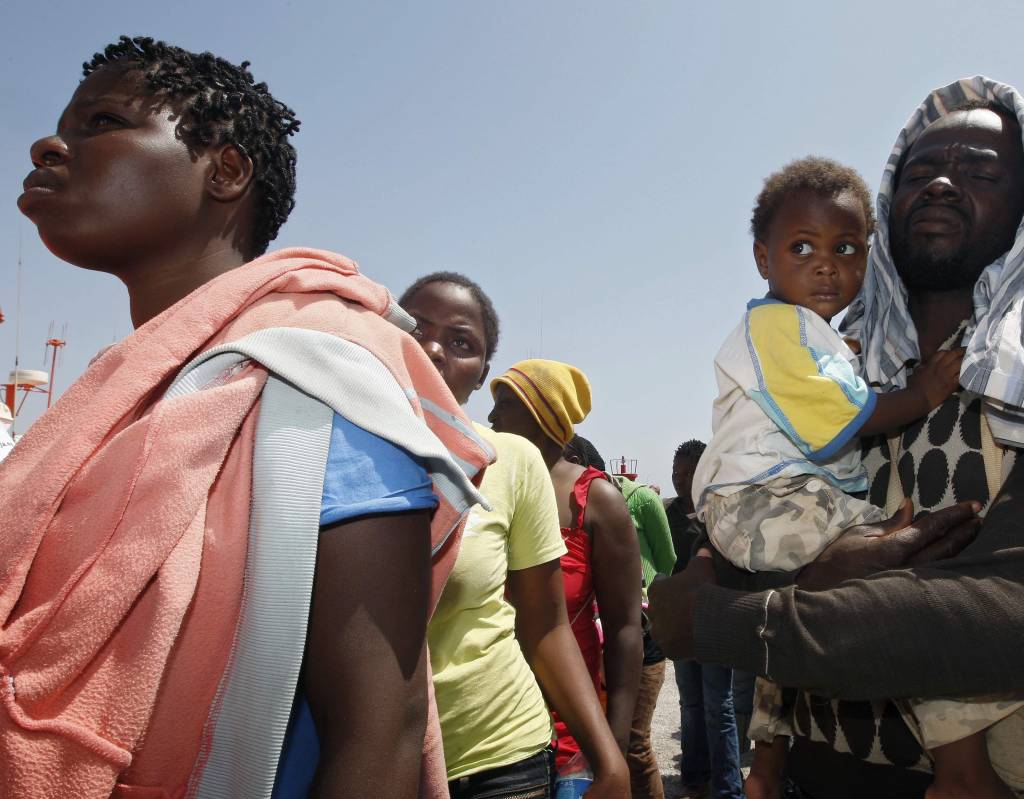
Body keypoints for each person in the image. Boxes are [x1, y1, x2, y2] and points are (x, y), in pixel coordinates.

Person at [650, 76, 1024, 798]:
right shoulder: (832, 366)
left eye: (979, 170)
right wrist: (793, 576)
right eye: (919, 171)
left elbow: (1004, 625)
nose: (941, 182)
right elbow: (733, 526)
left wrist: (722, 617)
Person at [1, 37, 491, 799]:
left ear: (225, 171)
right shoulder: (127, 398)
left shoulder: (319, 382)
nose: (51, 142)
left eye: (103, 120)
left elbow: (378, 733)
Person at [696, 156, 1009, 798]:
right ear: (762, 259)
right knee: (907, 580)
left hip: (770, 501)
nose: (825, 263)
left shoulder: (816, 336)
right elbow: (847, 418)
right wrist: (921, 393)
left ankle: (768, 764)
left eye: (845, 248)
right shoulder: (773, 326)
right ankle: (962, 767)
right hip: (766, 499)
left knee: (793, 619)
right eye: (801, 247)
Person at [399, 274, 631, 799]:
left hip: (501, 756)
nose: (432, 349)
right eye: (415, 328)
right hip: (370, 753)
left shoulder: (514, 465)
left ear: (479, 373)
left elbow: (553, 625)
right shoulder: (319, 446)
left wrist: (611, 755)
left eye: (461, 343)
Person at [488, 360, 644, 791]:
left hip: (573, 741)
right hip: (496, 733)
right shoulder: (485, 488)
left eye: (505, 404)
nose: (492, 417)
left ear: (542, 413)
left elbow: (625, 629)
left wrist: (613, 747)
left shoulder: (597, 500)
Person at [566, 434, 676, 799]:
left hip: (639, 640)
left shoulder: (636, 500)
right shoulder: (561, 507)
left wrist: (634, 591)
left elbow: (666, 561)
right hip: (592, 643)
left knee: (633, 745)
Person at [665, 439, 746, 799]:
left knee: (719, 705)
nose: (680, 480)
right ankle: (695, 778)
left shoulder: (721, 513)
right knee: (691, 703)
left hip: (714, 620)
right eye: (675, 473)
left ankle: (727, 788)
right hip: (683, 622)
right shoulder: (666, 515)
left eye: (687, 473)